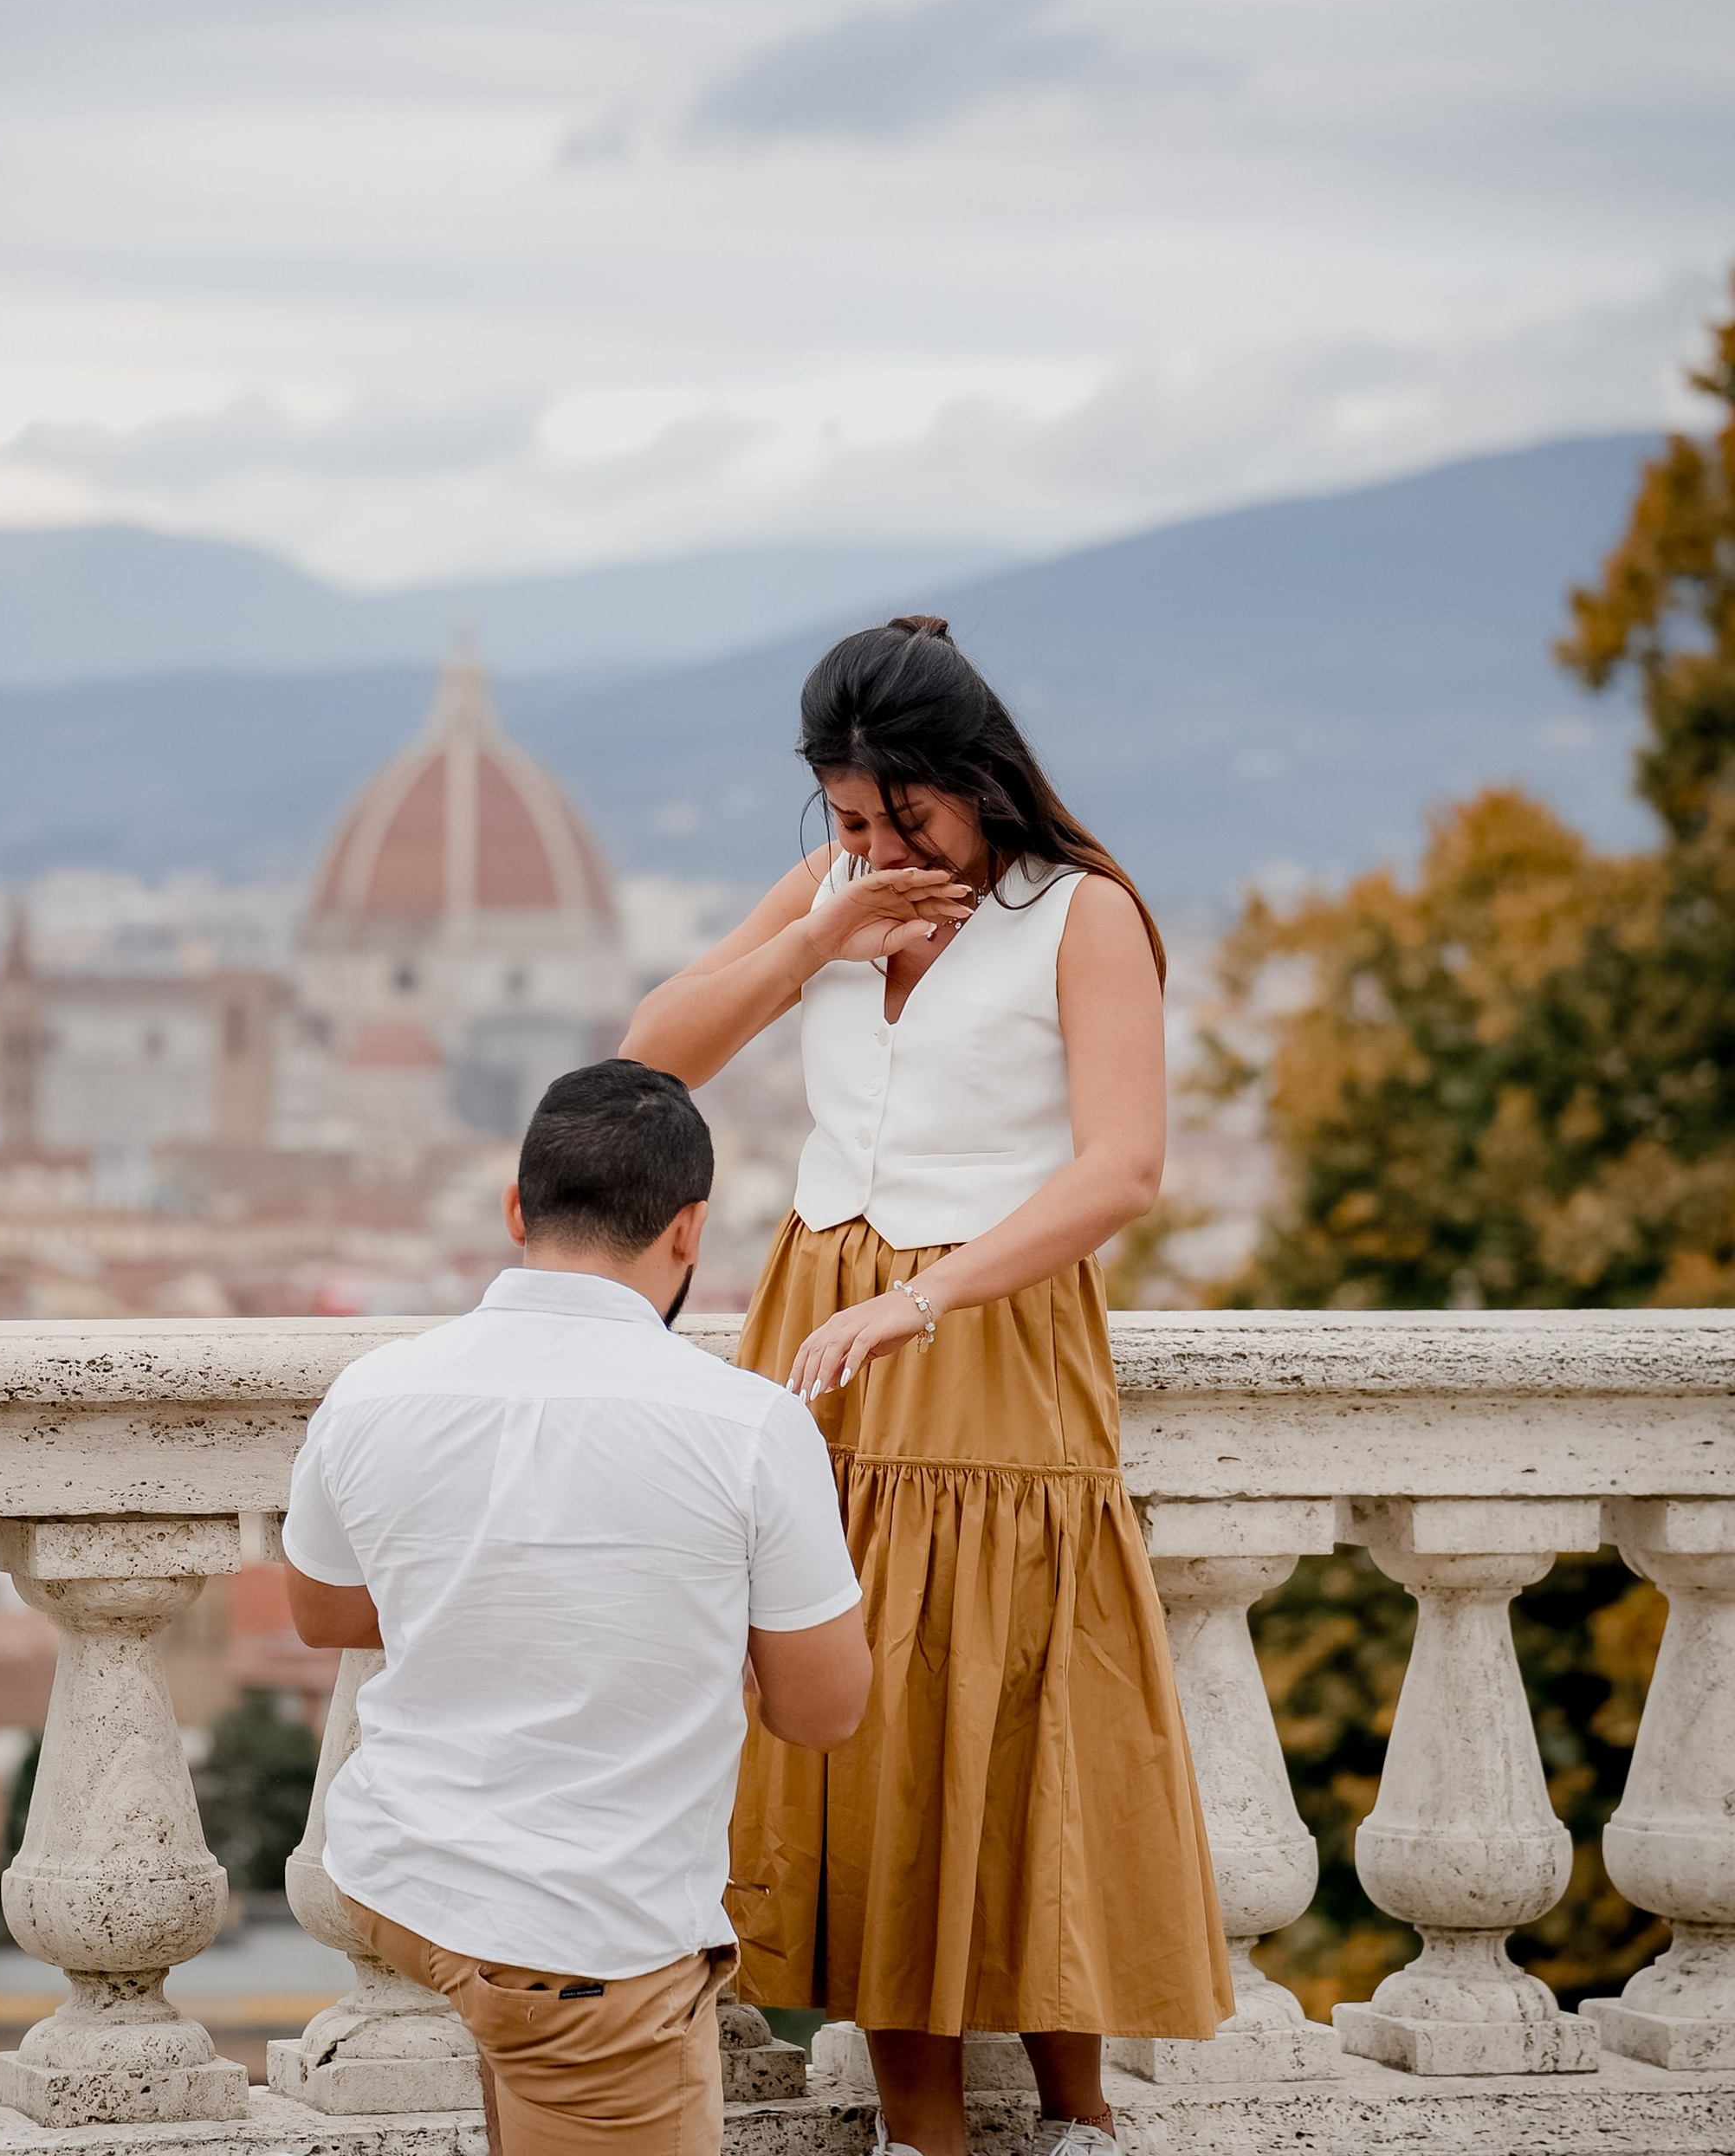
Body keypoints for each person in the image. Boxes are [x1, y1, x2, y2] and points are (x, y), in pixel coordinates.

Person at [620, 617, 1230, 2156]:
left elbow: (1124, 1168)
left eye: (909, 815)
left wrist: (928, 1301)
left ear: (979, 780)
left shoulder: (1081, 914)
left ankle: (1079, 2118)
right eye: (850, 818)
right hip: (822, 1331)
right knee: (864, 1714)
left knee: (1022, 1705)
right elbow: (649, 1057)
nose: (882, 843)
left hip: (992, 1329)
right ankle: (919, 2127)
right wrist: (824, 930)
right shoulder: (834, 893)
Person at [284, 1058, 871, 2156]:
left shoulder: (374, 1389)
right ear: (690, 1229)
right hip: (589, 1937)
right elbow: (824, 1709)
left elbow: (322, 1613)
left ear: (517, 1207)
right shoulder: (747, 1426)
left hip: (402, 1875)